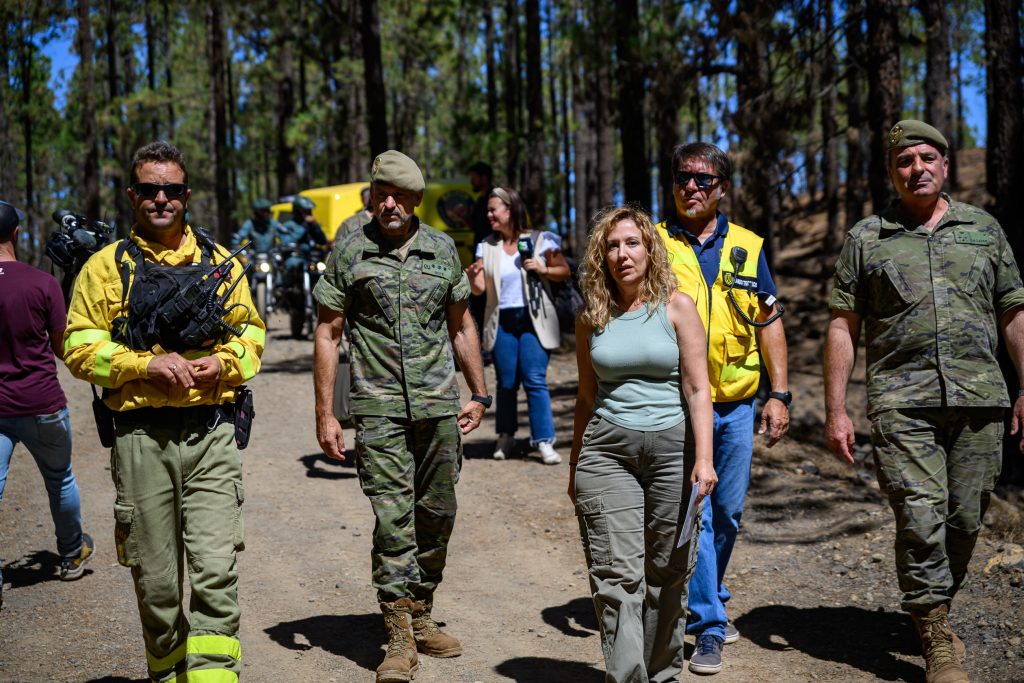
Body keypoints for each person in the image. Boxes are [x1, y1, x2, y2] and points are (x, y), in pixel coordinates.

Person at [824, 119, 1024, 683]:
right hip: (900, 402)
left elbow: (1013, 312)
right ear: (892, 172)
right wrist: (837, 407)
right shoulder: (868, 237)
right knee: (919, 515)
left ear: (944, 164)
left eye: (926, 158)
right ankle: (937, 637)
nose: (917, 169)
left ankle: (931, 602)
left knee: (964, 518)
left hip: (981, 399)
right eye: (904, 161)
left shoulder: (983, 230)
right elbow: (843, 324)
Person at [64, 141, 265, 682]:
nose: (160, 199)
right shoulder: (105, 269)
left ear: (186, 196)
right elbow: (79, 345)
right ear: (133, 195)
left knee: (216, 571)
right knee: (155, 581)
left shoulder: (223, 265)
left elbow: (252, 333)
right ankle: (168, 671)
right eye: (149, 189)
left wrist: (223, 364)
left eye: (171, 190)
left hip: (211, 434)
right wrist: (140, 366)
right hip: (140, 438)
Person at [312, 150, 489, 683]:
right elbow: (328, 333)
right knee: (394, 521)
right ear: (372, 197)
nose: (389, 203)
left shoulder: (440, 249)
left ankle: (421, 611)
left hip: (437, 406)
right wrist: (327, 414)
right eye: (381, 194)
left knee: (438, 514)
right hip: (378, 408)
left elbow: (461, 327)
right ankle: (398, 638)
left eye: (400, 195)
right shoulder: (350, 252)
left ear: (415, 200)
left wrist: (479, 392)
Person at [656, 142, 790, 675]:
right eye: (683, 177)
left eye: (703, 180)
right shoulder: (653, 243)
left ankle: (706, 590)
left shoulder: (748, 246)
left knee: (728, 512)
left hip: (737, 402)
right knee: (701, 512)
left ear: (722, 189)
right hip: (680, 400)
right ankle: (708, 624)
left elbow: (769, 320)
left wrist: (779, 393)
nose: (691, 187)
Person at [569, 205, 716, 683]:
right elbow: (586, 398)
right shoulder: (592, 316)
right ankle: (628, 678)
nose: (621, 254)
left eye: (631, 243)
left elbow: (698, 389)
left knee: (669, 571)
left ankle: (662, 673)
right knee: (617, 576)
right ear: (601, 255)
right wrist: (575, 465)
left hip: (674, 451)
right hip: (608, 452)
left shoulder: (678, 307)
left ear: (650, 249)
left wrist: (705, 459)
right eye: (611, 246)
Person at [0, 200, 93, 603]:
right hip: (42, 403)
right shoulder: (42, 283)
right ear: (18, 233)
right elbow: (63, 349)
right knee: (60, 480)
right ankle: (72, 555)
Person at [465, 186, 570, 464]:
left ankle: (544, 441)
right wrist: (473, 278)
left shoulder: (539, 239)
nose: (489, 215)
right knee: (507, 382)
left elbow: (564, 271)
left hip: (534, 319)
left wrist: (543, 268)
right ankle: (506, 436)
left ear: (510, 209)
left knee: (535, 379)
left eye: (493, 209)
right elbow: (478, 291)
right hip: (502, 321)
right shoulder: (486, 246)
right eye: (488, 210)